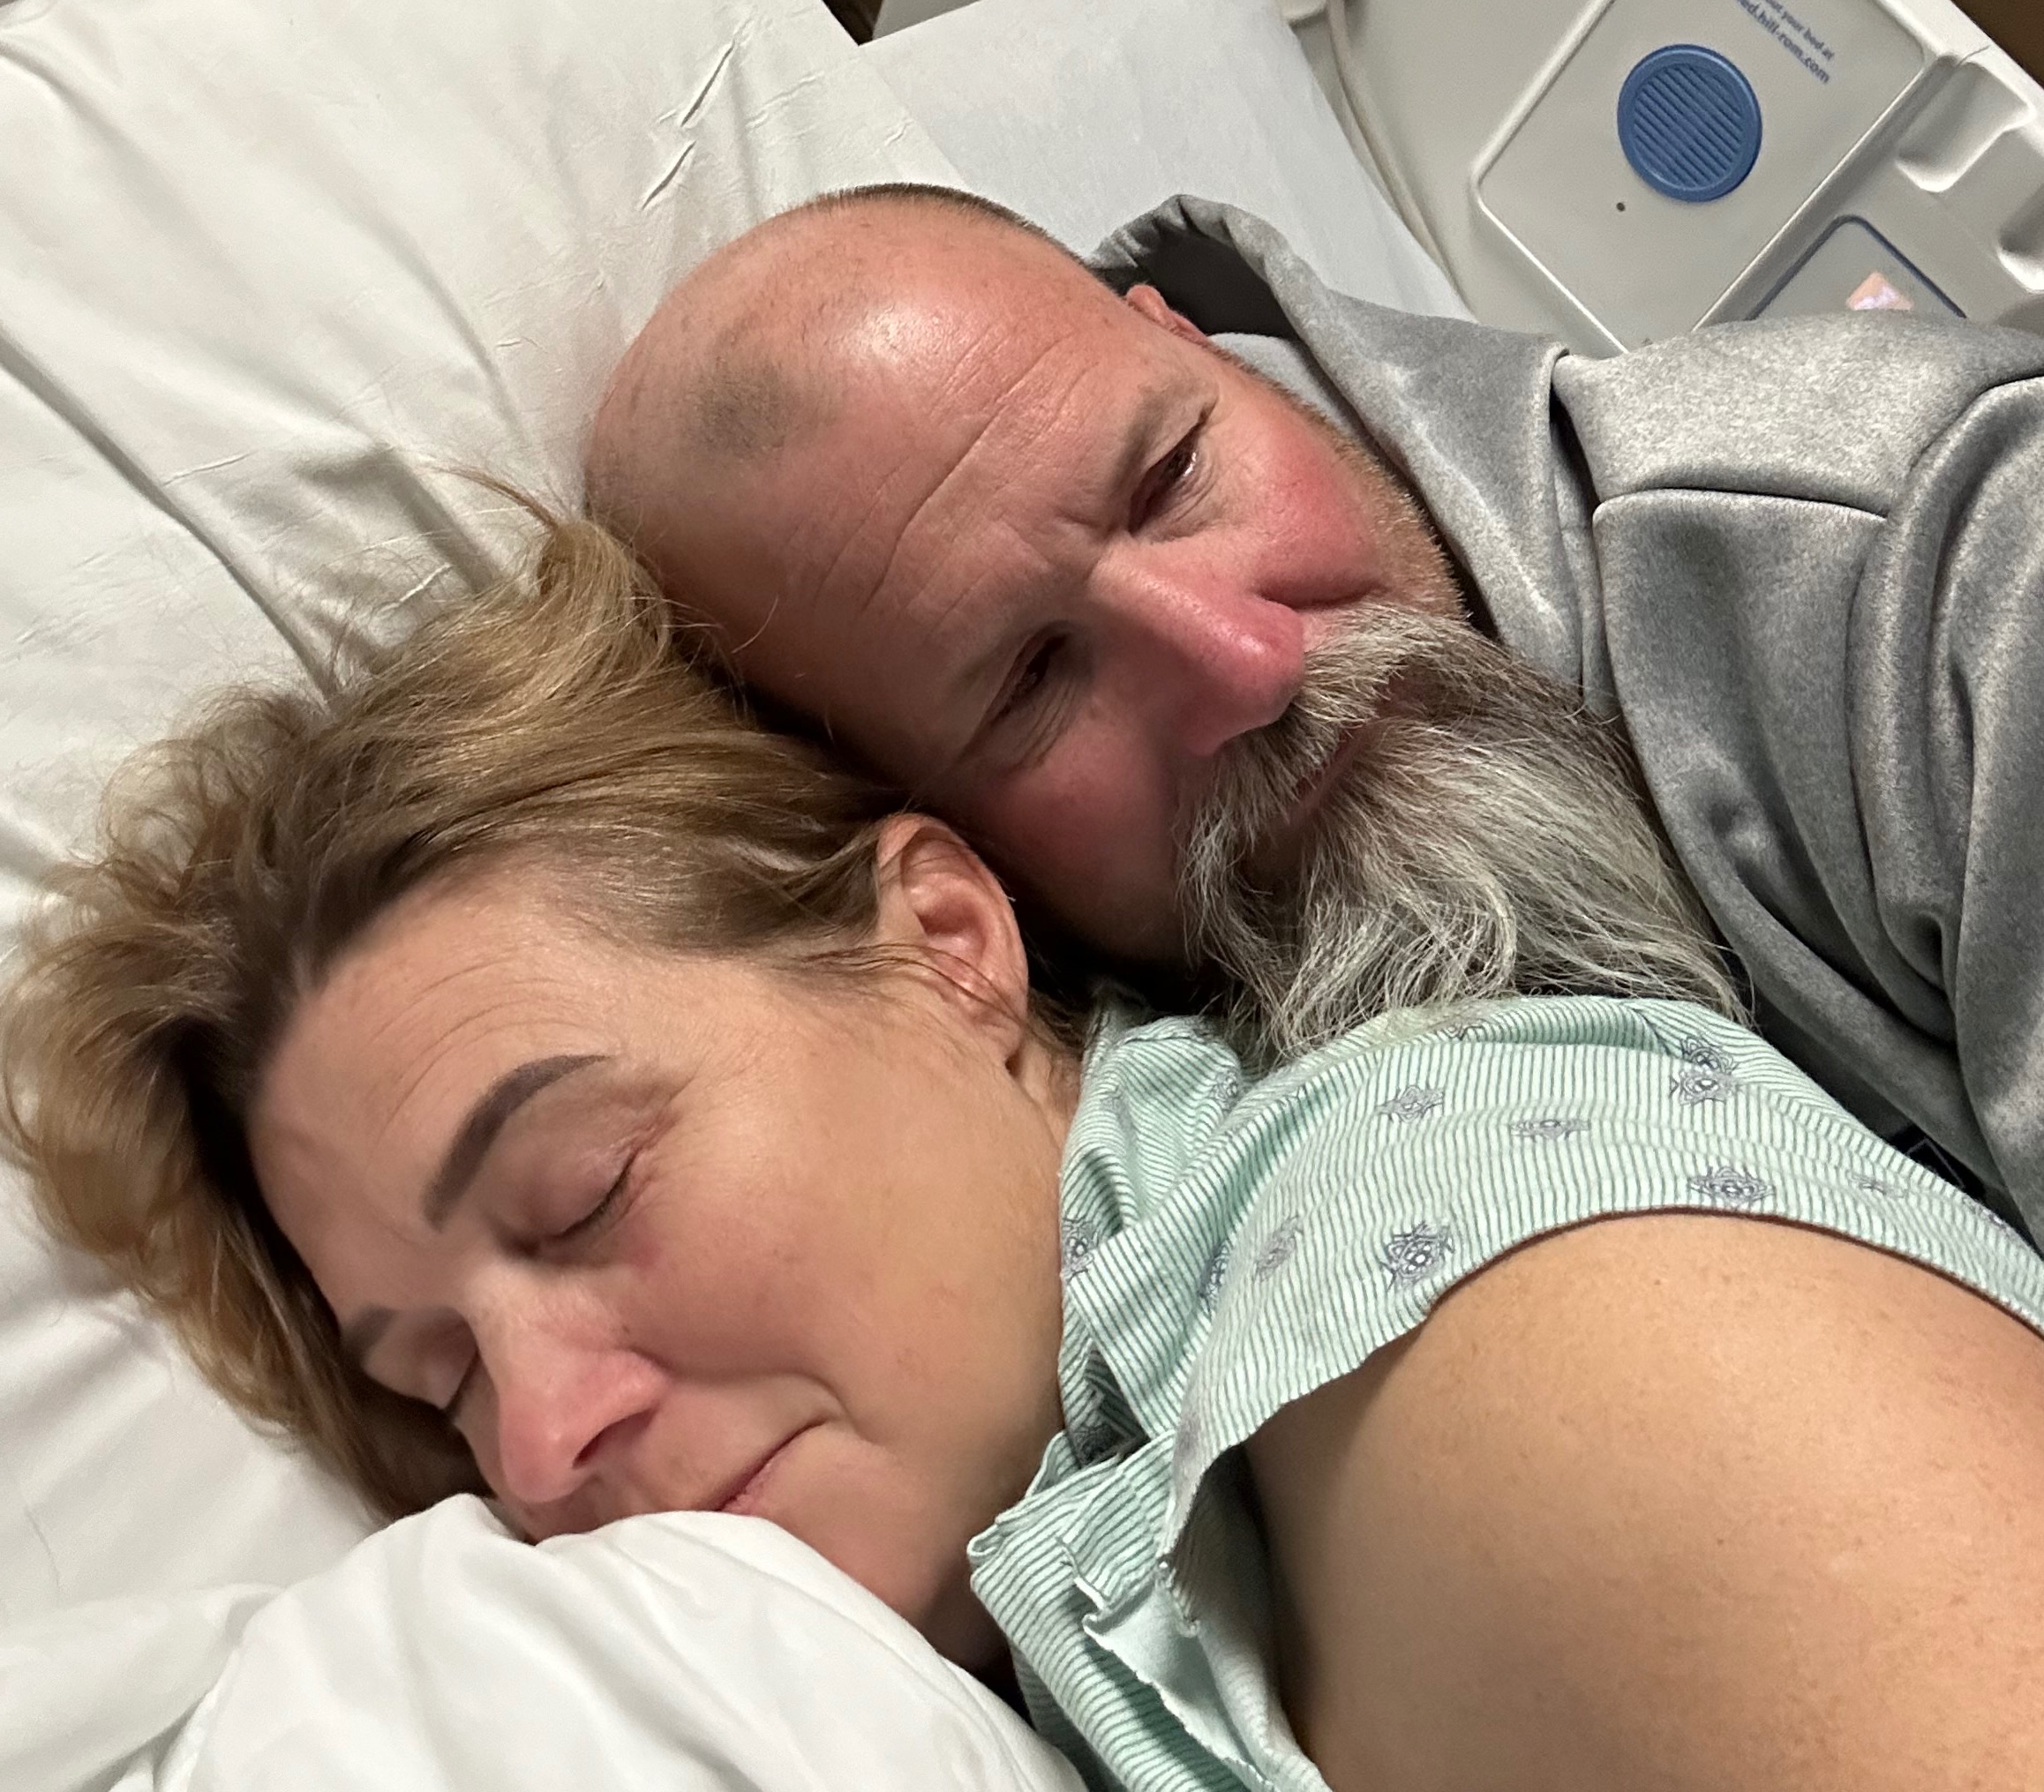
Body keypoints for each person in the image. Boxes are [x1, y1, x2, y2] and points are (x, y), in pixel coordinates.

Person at [9, 514, 2044, 1792]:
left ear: (946, 941)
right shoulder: (1070, 1556)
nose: (539, 1445)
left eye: (583, 1192)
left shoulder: (1449, 1267)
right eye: (438, 1375)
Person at [585, 183, 2044, 1240]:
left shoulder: (1949, 563)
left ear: (1200, 343)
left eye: (1171, 481)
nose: (1248, 665)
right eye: (1030, 682)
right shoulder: (1079, 1065)